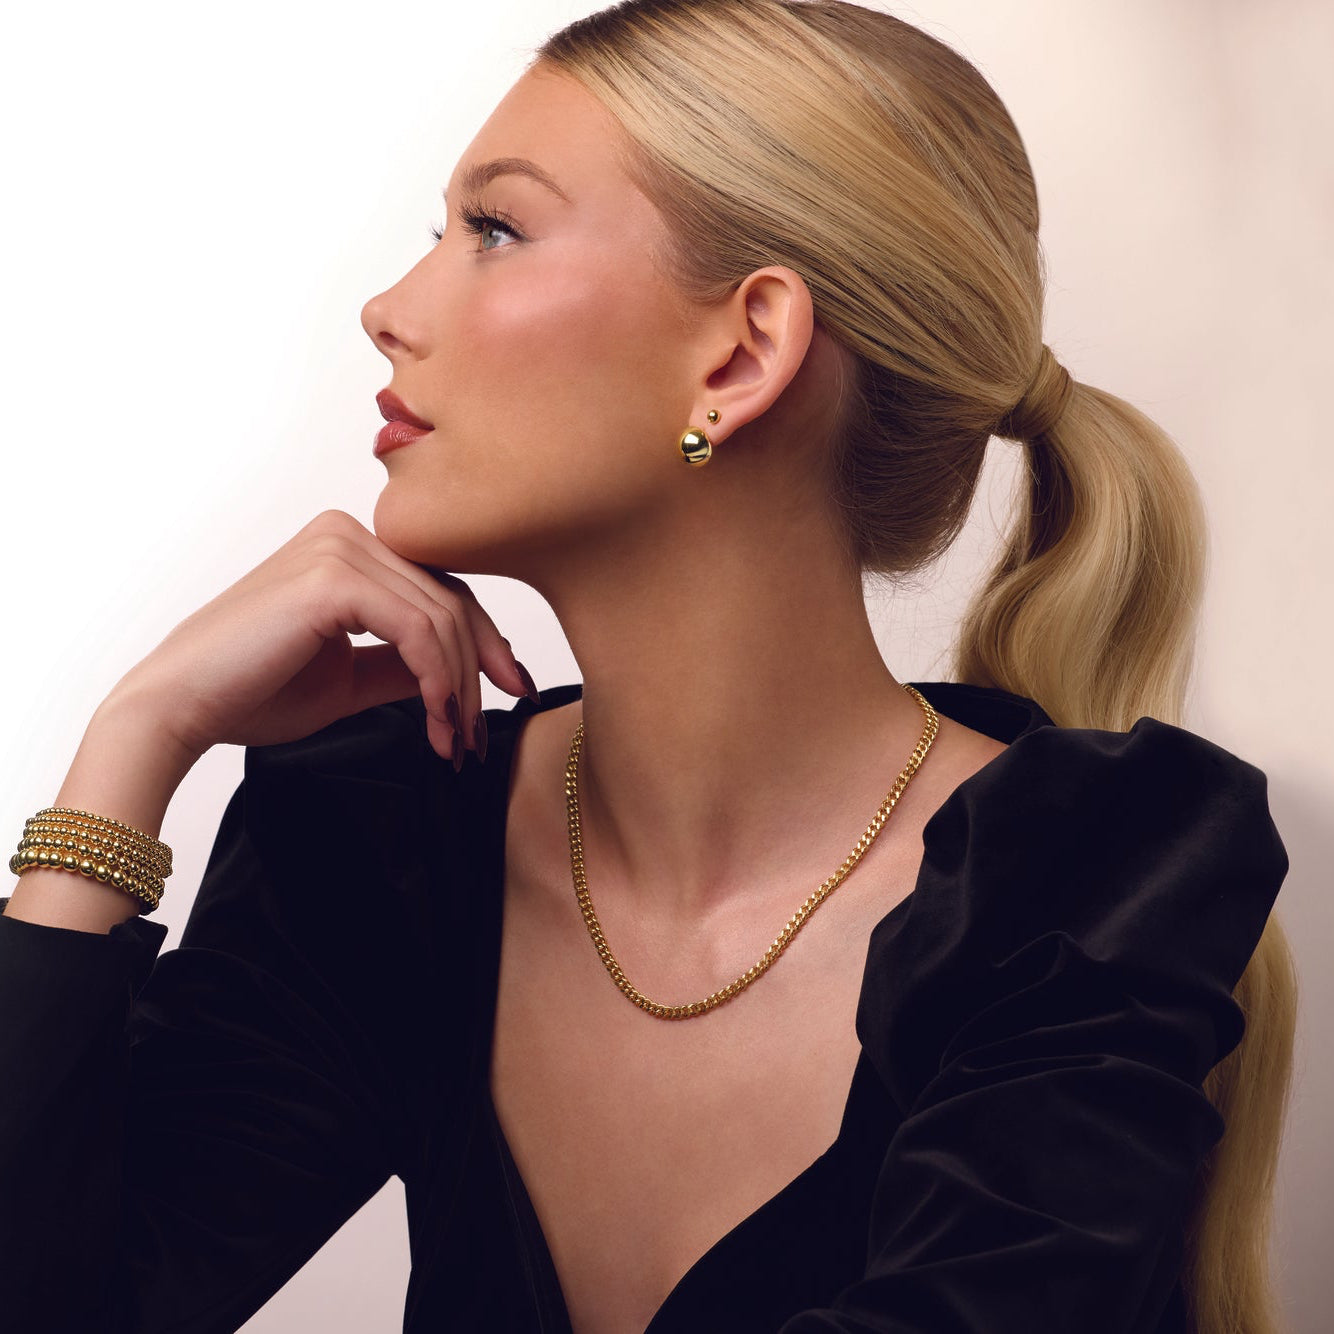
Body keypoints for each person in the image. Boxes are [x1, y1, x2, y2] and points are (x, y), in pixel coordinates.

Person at [0, 1, 1295, 1331]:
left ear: (739, 354)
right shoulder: (390, 838)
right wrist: (132, 746)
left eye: (493, 229)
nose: (388, 310)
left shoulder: (1082, 894)